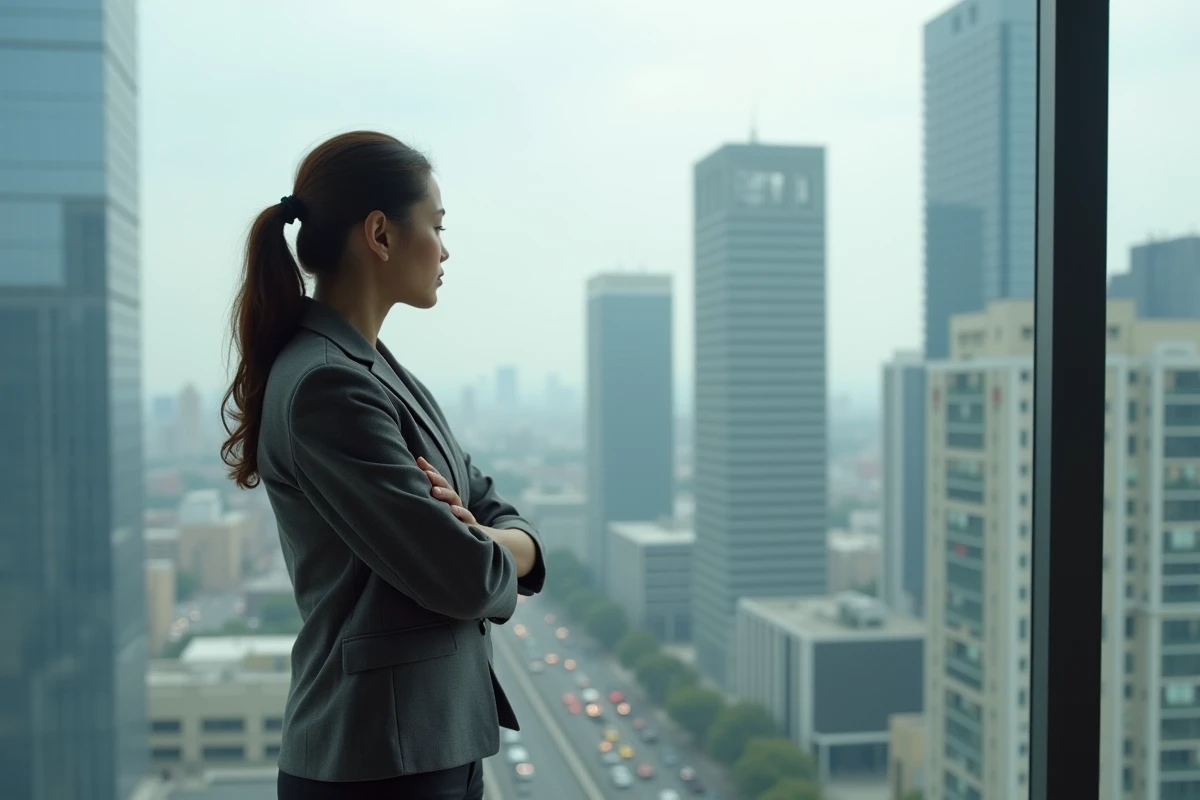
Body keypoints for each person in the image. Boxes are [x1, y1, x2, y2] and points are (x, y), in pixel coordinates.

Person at [220, 131, 546, 800]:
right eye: (437, 225)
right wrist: (499, 547)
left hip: (425, 747)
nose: (445, 249)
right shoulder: (328, 386)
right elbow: (463, 576)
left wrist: (491, 537)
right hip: (376, 761)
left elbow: (484, 501)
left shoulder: (377, 369)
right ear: (380, 234)